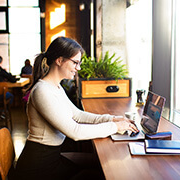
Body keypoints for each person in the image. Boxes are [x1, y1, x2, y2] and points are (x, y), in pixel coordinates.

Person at [15, 37, 138, 180]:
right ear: (59, 60)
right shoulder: (42, 91)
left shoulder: (55, 87)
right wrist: (115, 127)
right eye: (75, 62)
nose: (78, 68)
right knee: (100, 173)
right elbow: (75, 132)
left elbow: (78, 115)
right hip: (38, 168)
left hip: (51, 158)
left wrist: (112, 119)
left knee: (101, 164)